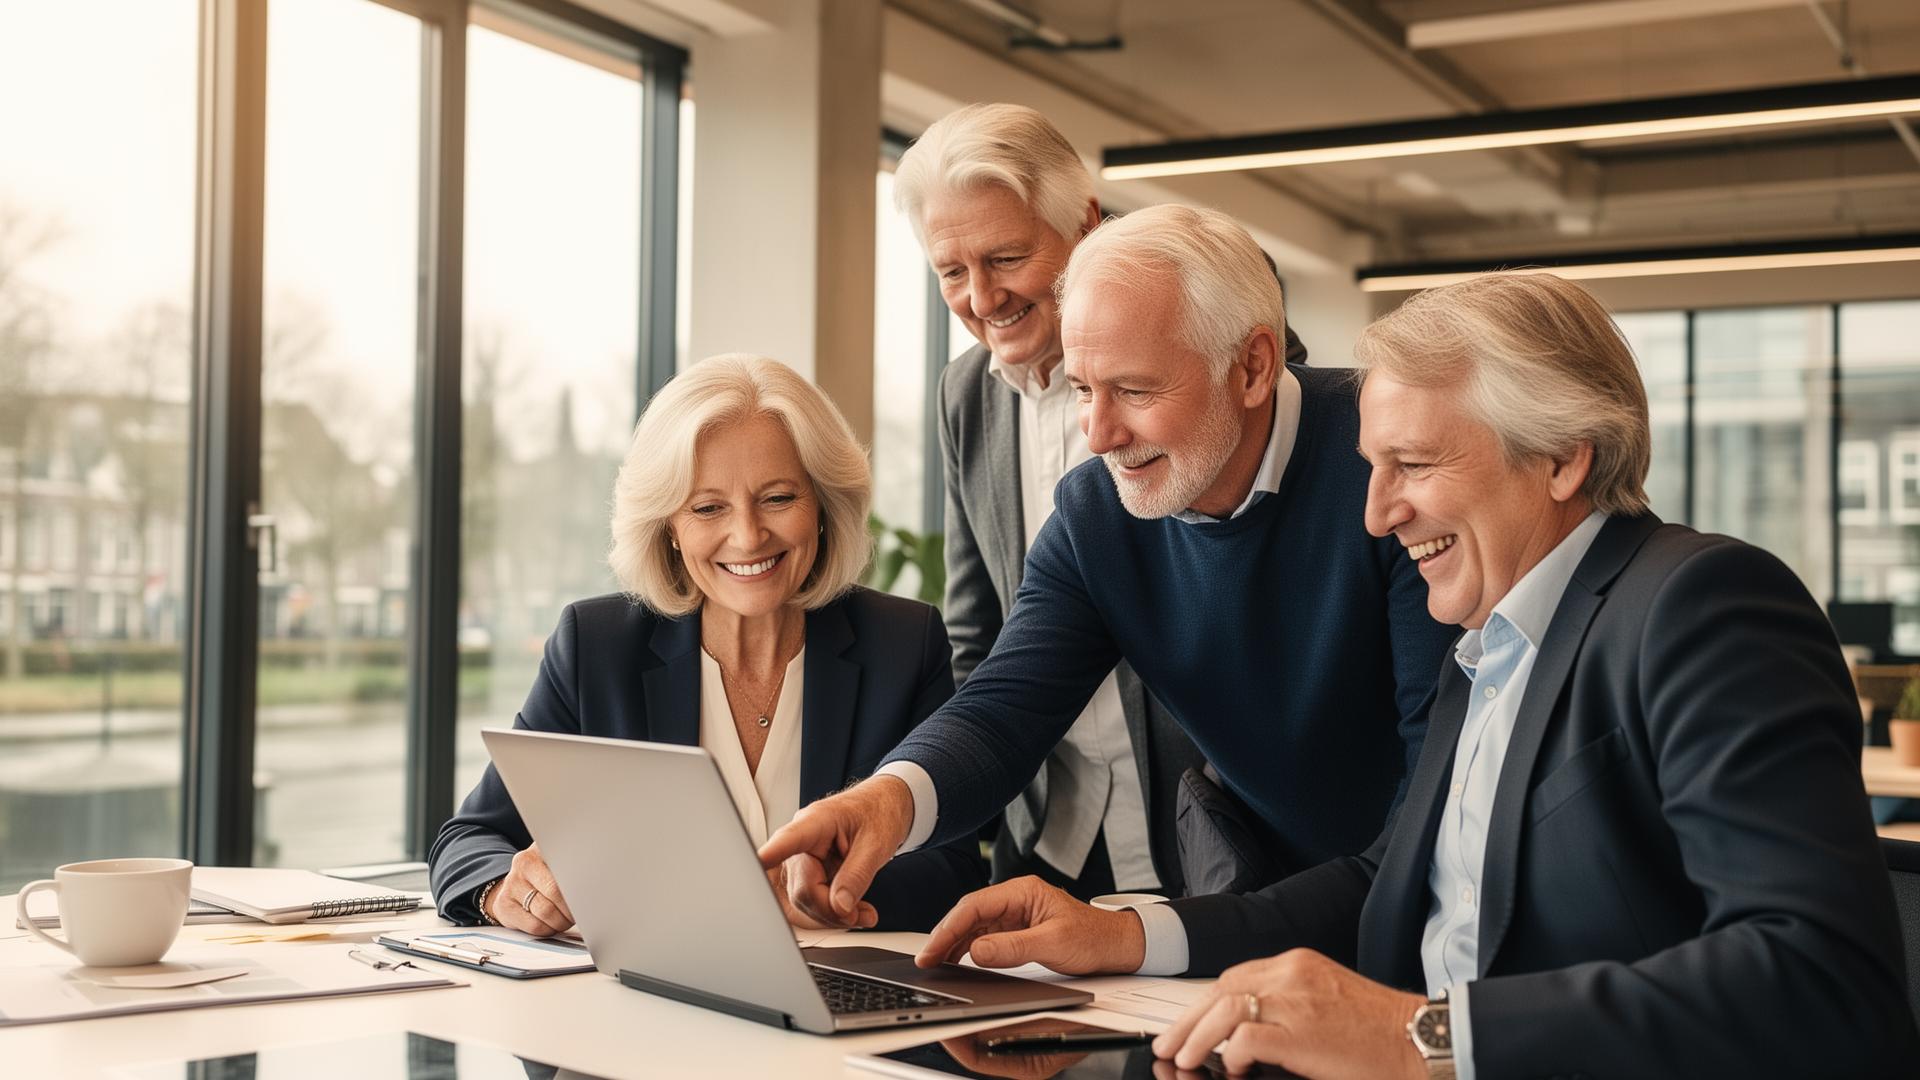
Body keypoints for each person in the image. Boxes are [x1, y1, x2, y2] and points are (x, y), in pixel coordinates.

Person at [909, 273, 1919, 1078]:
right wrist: (1127, 938)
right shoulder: (1489, 651)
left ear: (1564, 457)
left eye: (1415, 465)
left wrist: (1420, 1039)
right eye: (1371, 468)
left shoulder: (1699, 607)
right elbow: (1379, 882)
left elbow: (1821, 980)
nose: (1376, 514)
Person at [759, 204, 1454, 934]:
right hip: (1258, 907)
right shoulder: (1100, 510)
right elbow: (1005, 708)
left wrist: (1145, 936)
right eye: (1084, 389)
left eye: (1134, 390)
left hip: (1424, 912)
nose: (1098, 436)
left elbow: (1429, 798)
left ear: (1252, 366)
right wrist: (886, 800)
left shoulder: (1388, 470)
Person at [428, 354, 984, 935]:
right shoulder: (596, 648)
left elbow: (951, 870)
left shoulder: (903, 644)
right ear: (669, 525)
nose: (747, 536)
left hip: (841, 995)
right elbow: (468, 840)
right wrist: (505, 888)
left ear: (822, 504)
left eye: (778, 498)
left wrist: (818, 894)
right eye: (708, 507)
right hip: (647, 1005)